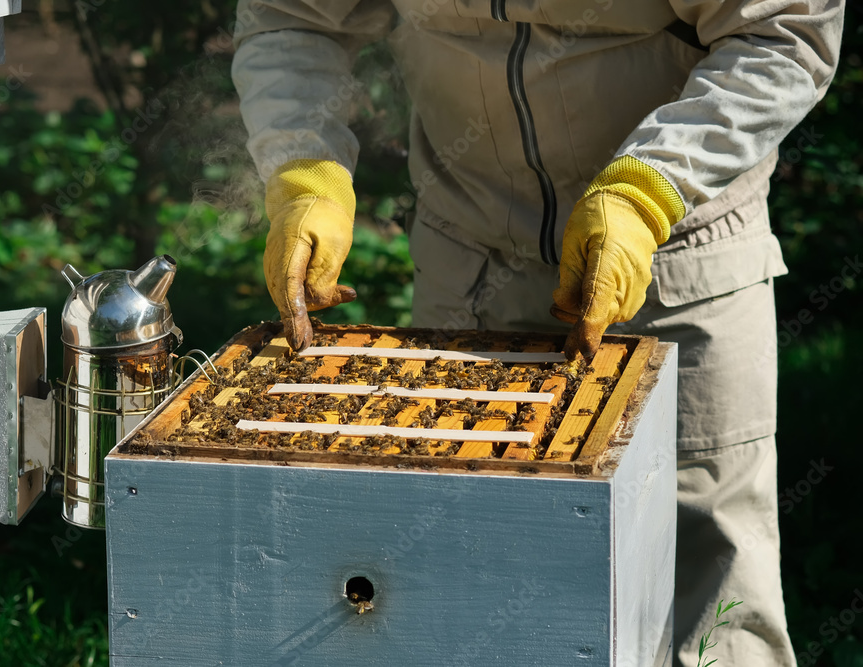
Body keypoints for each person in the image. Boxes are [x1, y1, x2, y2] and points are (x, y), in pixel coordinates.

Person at [231, 1, 845, 664]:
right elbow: (290, 18)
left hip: (675, 242)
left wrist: (649, 188)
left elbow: (786, 28)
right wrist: (306, 169)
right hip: (470, 252)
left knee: (704, 585)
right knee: (465, 576)